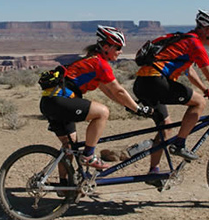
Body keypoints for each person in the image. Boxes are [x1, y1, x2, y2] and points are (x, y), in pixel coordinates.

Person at [133, 10, 209, 186]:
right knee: (199, 103)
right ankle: (180, 144)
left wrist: (206, 90)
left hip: (142, 84)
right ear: (206, 30)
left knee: (165, 127)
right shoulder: (195, 43)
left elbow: (189, 71)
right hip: (156, 81)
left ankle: (154, 172)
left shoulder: (183, 40)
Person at [40, 25, 151, 187]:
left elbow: (110, 92)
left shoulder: (92, 60)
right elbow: (118, 90)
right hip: (59, 100)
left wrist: (129, 106)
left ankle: (64, 186)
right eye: (118, 48)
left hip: (51, 102)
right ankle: (89, 156)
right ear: (106, 47)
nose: (120, 51)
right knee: (102, 112)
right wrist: (139, 109)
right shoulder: (99, 63)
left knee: (70, 147)